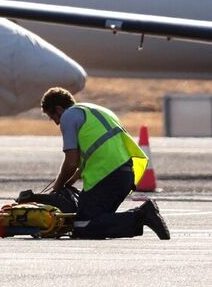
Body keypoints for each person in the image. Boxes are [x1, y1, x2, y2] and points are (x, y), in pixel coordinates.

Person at [40, 86, 169, 240]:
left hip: (107, 177)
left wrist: (58, 186)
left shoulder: (68, 117)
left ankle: (142, 215)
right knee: (98, 219)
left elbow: (71, 162)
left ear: (59, 109)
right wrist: (72, 180)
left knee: (83, 226)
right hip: (125, 175)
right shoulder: (96, 110)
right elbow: (95, 152)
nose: (56, 123)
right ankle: (142, 215)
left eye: (53, 117)